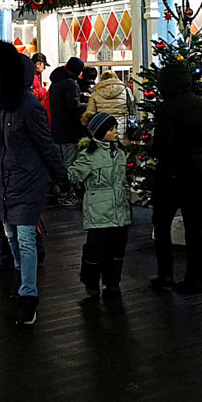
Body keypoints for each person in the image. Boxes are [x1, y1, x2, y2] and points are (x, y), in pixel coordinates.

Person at [0, 41, 68, 325]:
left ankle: (28, 295)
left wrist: (61, 176)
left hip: (26, 183)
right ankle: (21, 280)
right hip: (3, 183)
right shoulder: (5, 107)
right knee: (11, 236)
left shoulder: (29, 107)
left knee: (24, 239)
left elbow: (46, 145)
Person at [149, 61, 202, 295]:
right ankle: (194, 279)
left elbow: (161, 144)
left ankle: (165, 274)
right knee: (195, 226)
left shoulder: (167, 108)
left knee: (162, 222)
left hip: (173, 171)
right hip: (199, 168)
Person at [69, 112, 131, 301]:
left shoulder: (120, 153)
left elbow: (122, 181)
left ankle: (113, 282)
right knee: (96, 249)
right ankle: (91, 282)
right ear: (101, 132)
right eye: (112, 129)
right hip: (99, 213)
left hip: (120, 210)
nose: (116, 132)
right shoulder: (89, 155)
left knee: (117, 250)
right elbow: (73, 174)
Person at [48, 57, 87, 203]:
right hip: (69, 131)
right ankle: (68, 195)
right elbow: (72, 106)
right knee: (70, 164)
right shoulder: (70, 84)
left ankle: (62, 192)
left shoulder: (56, 82)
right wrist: (86, 105)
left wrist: (80, 95)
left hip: (57, 130)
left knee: (61, 162)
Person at [82, 70, 136, 140]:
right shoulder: (125, 90)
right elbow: (131, 109)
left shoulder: (95, 92)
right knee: (121, 147)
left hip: (102, 126)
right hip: (122, 126)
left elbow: (90, 113)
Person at [31, 53, 51, 122]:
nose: (44, 68)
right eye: (44, 65)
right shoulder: (32, 77)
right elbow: (32, 94)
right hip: (35, 112)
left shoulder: (36, 76)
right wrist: (45, 89)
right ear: (38, 64)